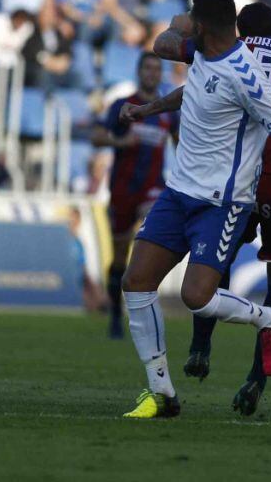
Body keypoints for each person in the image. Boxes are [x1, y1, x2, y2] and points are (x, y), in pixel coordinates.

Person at [143, 1, 271, 416]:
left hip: (237, 175)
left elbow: (179, 68)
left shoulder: (225, 50)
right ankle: (256, 379)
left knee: (215, 260)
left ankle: (201, 345)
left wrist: (181, 26)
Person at [116, 0, 271, 419]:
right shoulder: (202, 53)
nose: (183, 19)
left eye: (189, 15)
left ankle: (268, 319)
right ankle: (162, 393)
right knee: (136, 282)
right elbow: (196, 92)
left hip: (222, 203)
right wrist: (150, 109)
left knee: (196, 297)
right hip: (179, 191)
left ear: (201, 25)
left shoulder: (246, 74)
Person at [90, 52, 179, 339]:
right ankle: (116, 317)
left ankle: (145, 307)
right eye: (147, 68)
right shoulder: (122, 105)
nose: (152, 73)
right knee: (118, 258)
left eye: (157, 69)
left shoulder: (168, 110)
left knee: (148, 228)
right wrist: (120, 140)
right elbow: (97, 137)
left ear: (161, 74)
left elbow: (182, 144)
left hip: (153, 188)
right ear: (139, 72)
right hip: (122, 190)